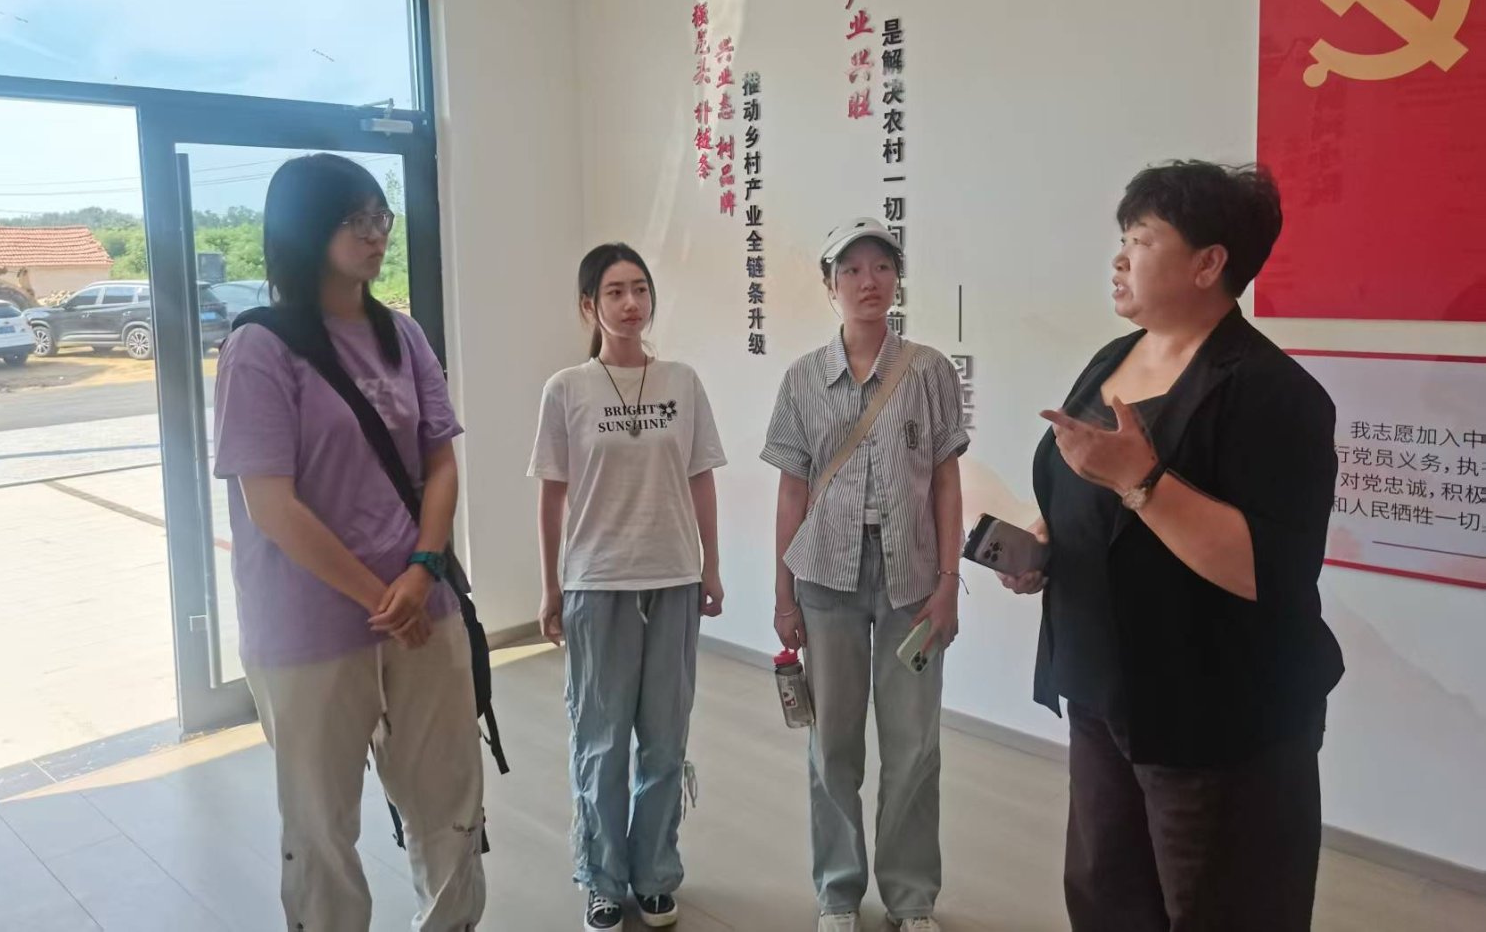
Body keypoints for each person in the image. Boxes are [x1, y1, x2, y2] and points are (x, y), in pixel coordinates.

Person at [1003, 161, 1344, 932]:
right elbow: (1084, 486)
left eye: (1142, 239)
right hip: (1101, 689)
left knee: (1220, 905)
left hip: (1214, 717)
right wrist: (1045, 538)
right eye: (1122, 238)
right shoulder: (1113, 357)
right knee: (1107, 894)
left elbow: (1268, 570)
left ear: (1208, 262)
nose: (1119, 258)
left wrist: (1145, 481)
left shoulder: (1274, 393)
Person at [213, 154, 485, 932]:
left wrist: (422, 568)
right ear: (305, 231)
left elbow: (440, 460)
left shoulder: (403, 333)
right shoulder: (259, 347)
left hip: (424, 609)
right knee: (320, 824)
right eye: (354, 221)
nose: (375, 235)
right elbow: (271, 504)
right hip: (309, 626)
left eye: (379, 218)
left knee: (450, 798)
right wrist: (381, 596)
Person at [764, 218, 968, 932]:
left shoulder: (929, 371)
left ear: (897, 279)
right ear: (830, 285)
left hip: (912, 578)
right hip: (826, 577)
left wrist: (949, 581)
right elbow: (791, 491)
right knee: (833, 742)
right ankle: (838, 891)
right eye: (851, 269)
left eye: (882, 266)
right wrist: (783, 594)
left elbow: (946, 480)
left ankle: (910, 898)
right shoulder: (801, 379)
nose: (868, 281)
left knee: (914, 743)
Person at [528, 243, 727, 932]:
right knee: (602, 740)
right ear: (590, 305)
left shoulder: (682, 382)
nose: (631, 302)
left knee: (665, 740)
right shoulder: (566, 389)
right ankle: (603, 878)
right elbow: (551, 497)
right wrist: (550, 585)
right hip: (598, 581)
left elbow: (701, 478)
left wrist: (711, 565)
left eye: (640, 288)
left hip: (673, 577)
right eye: (614, 291)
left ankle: (656, 874)